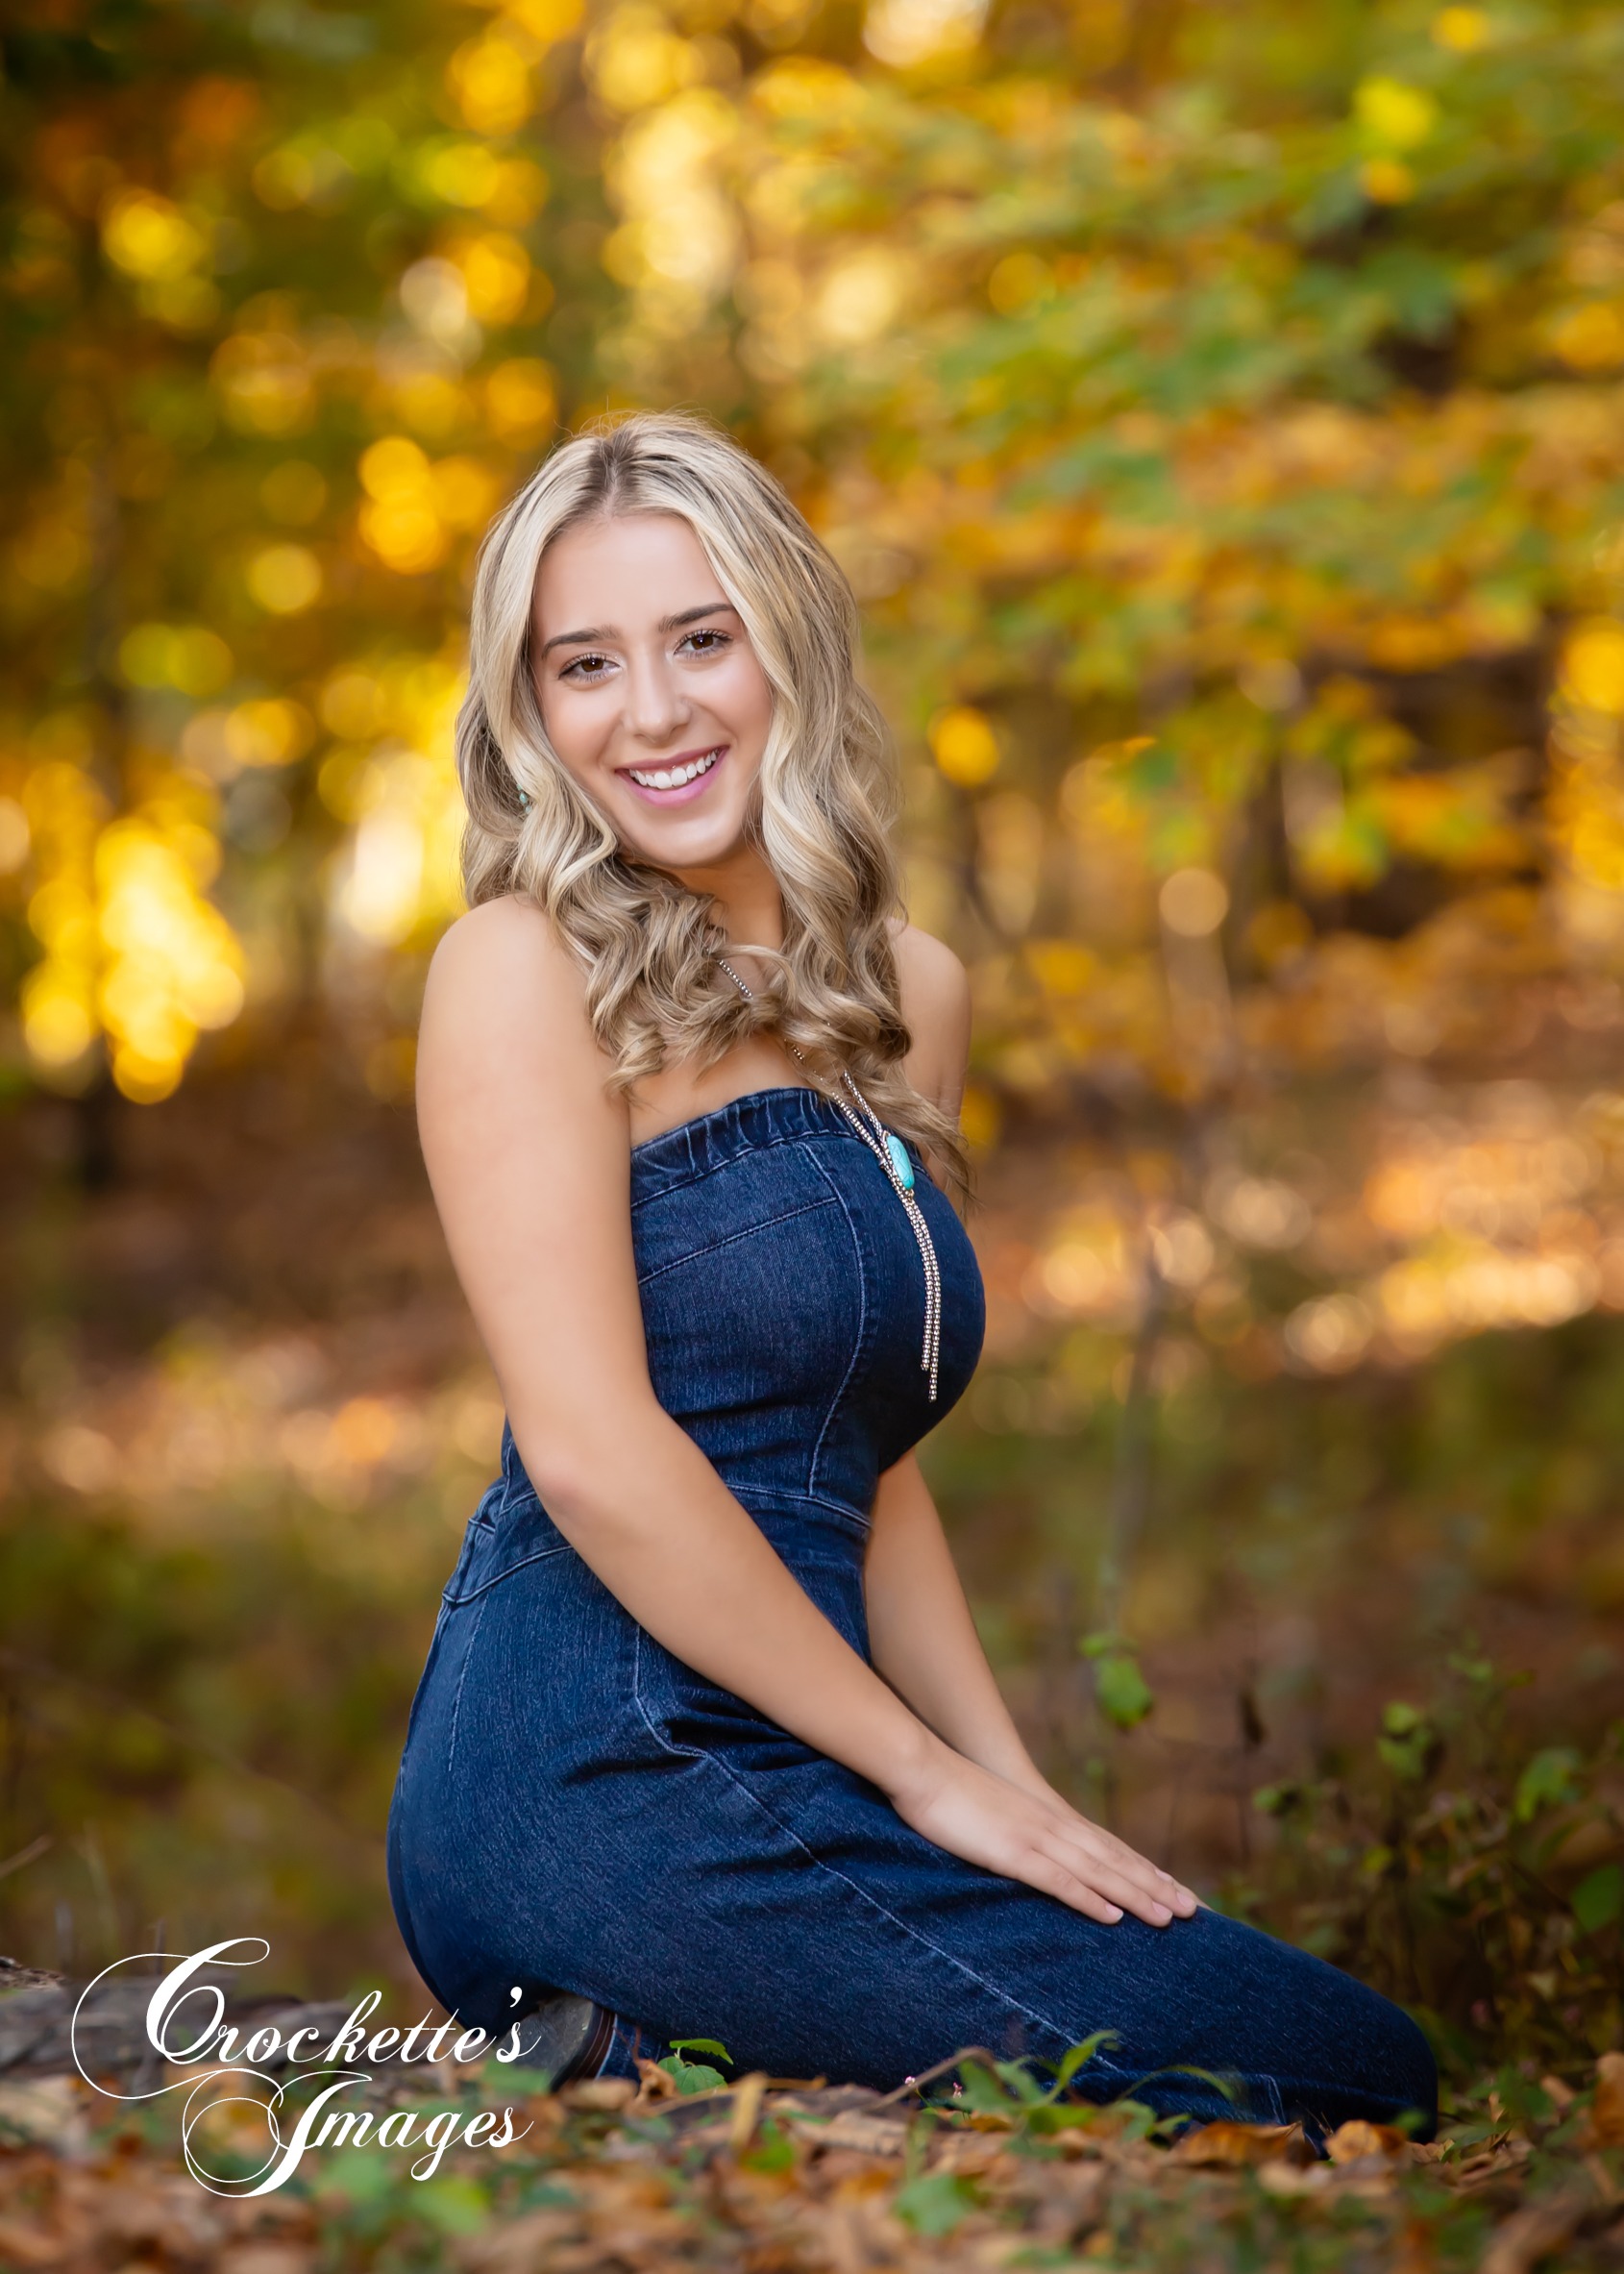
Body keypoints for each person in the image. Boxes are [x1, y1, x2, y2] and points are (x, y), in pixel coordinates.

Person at [385, 411, 1436, 2135]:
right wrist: (920, 1774)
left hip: (805, 1745)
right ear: (529, 711)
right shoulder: (520, 969)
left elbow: (863, 1460)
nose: (648, 711)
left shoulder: (903, 988)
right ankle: (606, 2019)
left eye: (699, 638)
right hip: (596, 1754)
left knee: (1301, 2033)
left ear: (785, 639)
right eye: (583, 663)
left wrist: (1017, 1796)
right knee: (1340, 2071)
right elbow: (589, 1448)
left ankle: (641, 2058)